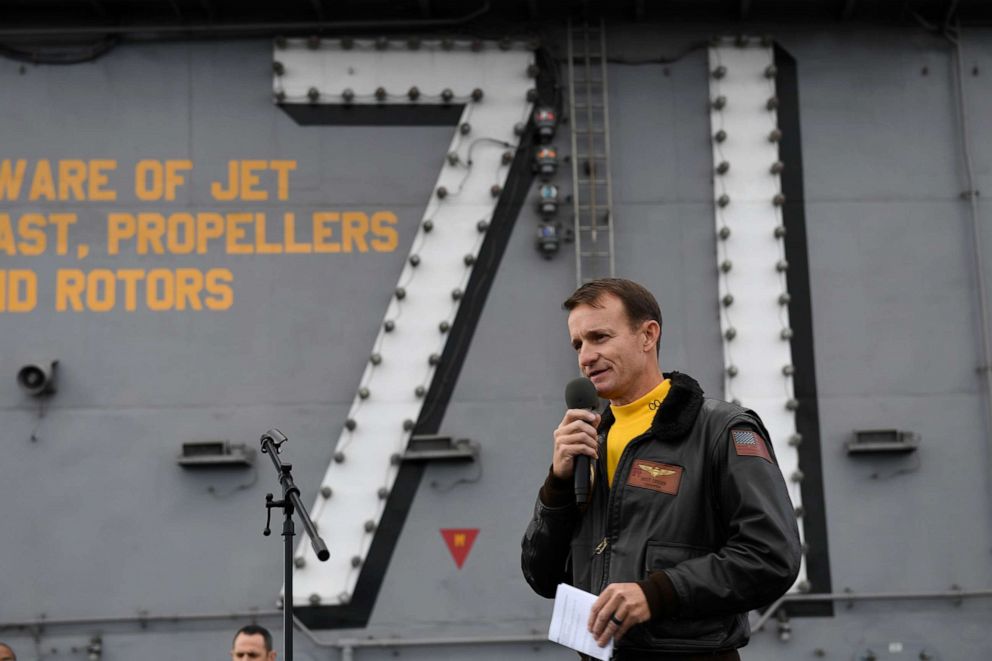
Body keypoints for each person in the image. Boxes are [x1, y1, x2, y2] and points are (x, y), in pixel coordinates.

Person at [521, 278, 801, 660]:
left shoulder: (720, 430)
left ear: (648, 335)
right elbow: (543, 576)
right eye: (578, 344)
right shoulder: (587, 442)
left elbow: (771, 557)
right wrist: (558, 484)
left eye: (599, 337)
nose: (586, 356)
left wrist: (656, 594)